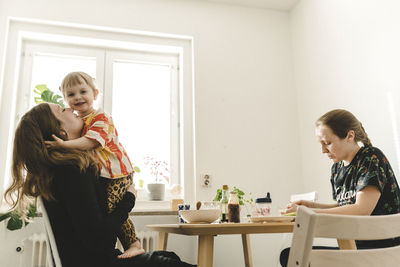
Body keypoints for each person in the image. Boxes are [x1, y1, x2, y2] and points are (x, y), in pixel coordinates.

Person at [5, 103, 196, 267]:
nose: (71, 108)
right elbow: (100, 240)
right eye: (62, 109)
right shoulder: (72, 170)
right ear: (61, 132)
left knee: (169, 258)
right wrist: (129, 198)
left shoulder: (56, 173)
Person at [280, 109, 400, 267]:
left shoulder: (371, 158)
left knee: (294, 256)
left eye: (327, 143)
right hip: (356, 245)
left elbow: (362, 210)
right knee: (289, 255)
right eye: (321, 144)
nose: (323, 150)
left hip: (383, 247)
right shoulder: (337, 169)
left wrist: (310, 213)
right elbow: (346, 205)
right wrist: (312, 206)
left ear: (350, 136)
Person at [45, 72, 140, 258]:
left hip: (117, 172)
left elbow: (91, 142)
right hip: (105, 173)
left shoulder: (100, 117)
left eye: (83, 91)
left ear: (95, 94)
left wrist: (64, 145)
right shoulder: (80, 121)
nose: (78, 97)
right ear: (65, 99)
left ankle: (134, 243)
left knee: (113, 207)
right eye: (71, 95)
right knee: (107, 207)